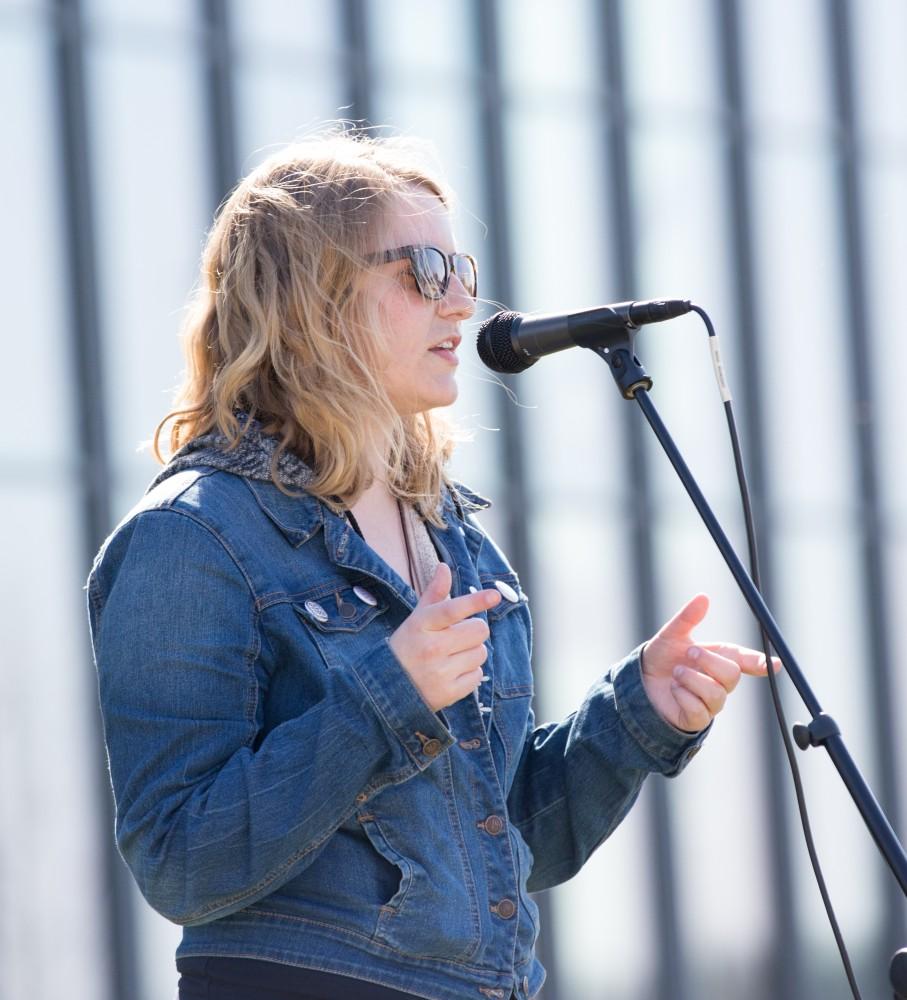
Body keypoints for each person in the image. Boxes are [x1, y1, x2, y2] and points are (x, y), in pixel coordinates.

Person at [87, 128, 776, 1000]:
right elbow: (181, 863)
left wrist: (634, 716)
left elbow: (509, 842)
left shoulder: (452, 534)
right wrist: (387, 696)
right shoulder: (192, 537)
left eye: (463, 271)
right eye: (422, 271)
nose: (460, 306)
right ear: (312, 297)